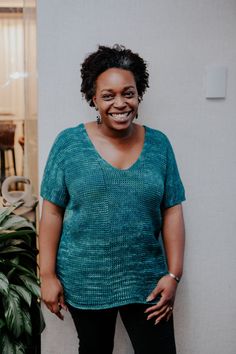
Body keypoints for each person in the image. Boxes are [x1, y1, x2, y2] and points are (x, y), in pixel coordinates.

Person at [39, 44, 186, 354]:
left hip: (147, 279)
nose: (120, 103)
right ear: (93, 98)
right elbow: (51, 212)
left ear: (139, 94)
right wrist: (47, 275)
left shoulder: (159, 145)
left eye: (128, 93)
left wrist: (174, 274)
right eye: (108, 95)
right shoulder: (69, 144)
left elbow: (172, 209)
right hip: (84, 278)